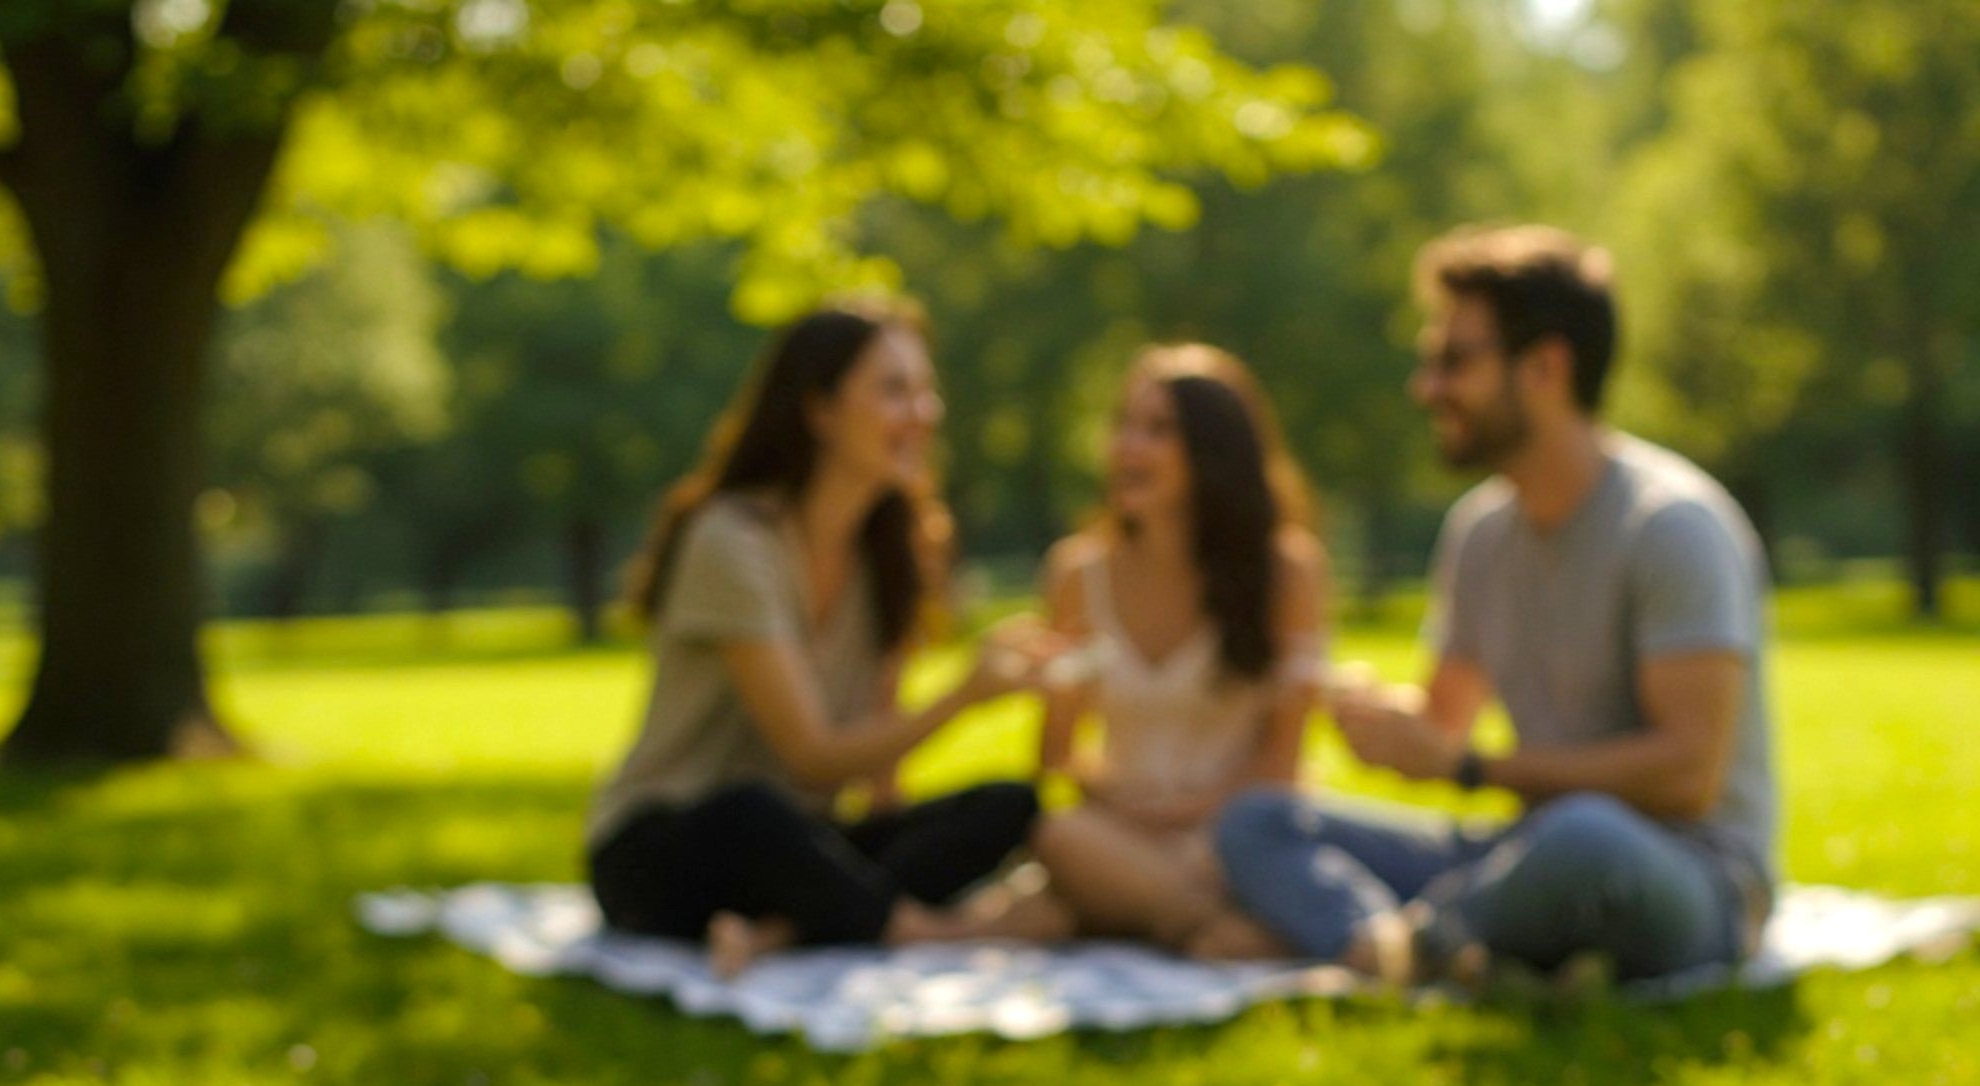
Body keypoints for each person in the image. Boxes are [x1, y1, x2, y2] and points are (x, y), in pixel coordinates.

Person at [1215, 225, 1777, 986]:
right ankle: (1396, 945)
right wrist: (1378, 718)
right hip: (1524, 845)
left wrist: (1471, 766)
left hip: (1687, 875)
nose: (1427, 389)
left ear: (1546, 367)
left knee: (1584, 841)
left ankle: (1432, 940)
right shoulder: (1480, 533)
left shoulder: (1671, 525)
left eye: (1454, 362)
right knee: (1256, 821)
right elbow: (1445, 725)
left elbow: (1687, 776)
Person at [585, 299, 1066, 976]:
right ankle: (922, 933)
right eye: (894, 390)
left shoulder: (895, 550)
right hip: (665, 849)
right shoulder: (732, 542)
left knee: (1007, 805)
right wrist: (965, 696)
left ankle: (776, 933)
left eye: (925, 391)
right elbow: (810, 757)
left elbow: (876, 764)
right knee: (754, 812)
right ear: (820, 411)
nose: (922, 413)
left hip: (797, 844)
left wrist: (892, 845)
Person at [1028, 345, 1329, 955]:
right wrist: (1122, 804)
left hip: (1233, 833)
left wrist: (1184, 813)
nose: (1126, 448)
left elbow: (1282, 765)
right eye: (1124, 427)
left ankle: (1152, 914)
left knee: (1044, 911)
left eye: (1157, 430)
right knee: (1058, 837)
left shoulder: (1287, 573)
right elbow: (1056, 754)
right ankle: (1211, 928)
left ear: (1214, 452)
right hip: (1118, 834)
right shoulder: (1075, 575)